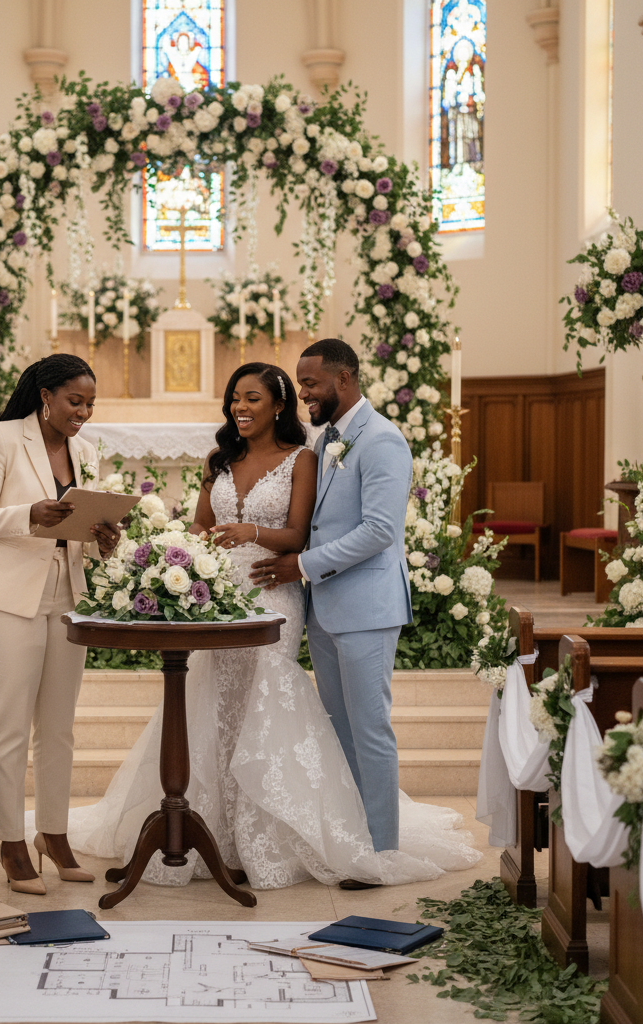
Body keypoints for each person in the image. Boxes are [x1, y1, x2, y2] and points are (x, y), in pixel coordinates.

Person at [49, 361, 480, 889]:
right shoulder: (217, 458)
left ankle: (283, 835)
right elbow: (202, 523)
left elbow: (301, 533)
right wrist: (190, 554)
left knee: (273, 702)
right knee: (214, 702)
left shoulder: (306, 458)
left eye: (252, 398)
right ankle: (214, 830)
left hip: (275, 590)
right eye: (234, 398)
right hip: (217, 592)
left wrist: (252, 531)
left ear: (279, 405)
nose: (240, 407)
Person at [251, 338, 415, 886]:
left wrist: (303, 565)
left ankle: (383, 852)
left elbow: (380, 531)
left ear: (344, 380)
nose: (303, 394)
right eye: (300, 384)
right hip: (326, 608)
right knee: (338, 727)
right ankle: (353, 841)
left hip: (366, 605)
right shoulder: (327, 440)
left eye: (311, 384)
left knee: (370, 729)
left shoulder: (383, 440)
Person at [0, 354, 120, 895]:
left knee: (58, 727)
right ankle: (10, 842)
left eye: (91, 404)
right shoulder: (2, 438)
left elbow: (80, 528)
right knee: (9, 724)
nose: (84, 413)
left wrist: (103, 540)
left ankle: (54, 834)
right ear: (46, 395)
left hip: (64, 593)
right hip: (7, 596)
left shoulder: (86, 452)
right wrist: (29, 513)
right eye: (76, 401)